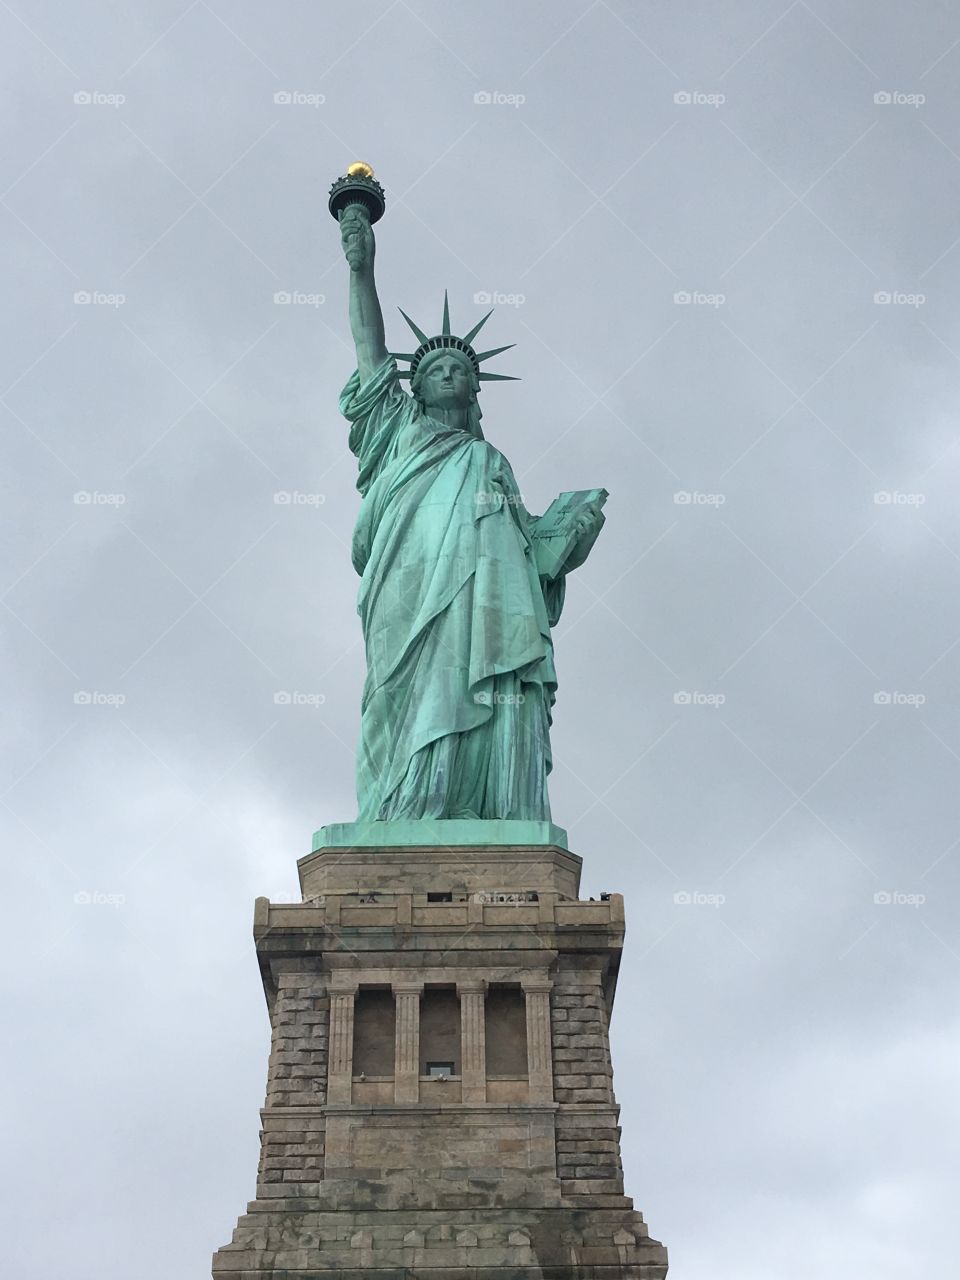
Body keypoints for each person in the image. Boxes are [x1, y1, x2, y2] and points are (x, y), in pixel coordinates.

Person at [338, 205, 605, 823]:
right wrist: (361, 269)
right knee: (402, 694)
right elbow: (368, 349)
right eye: (435, 370)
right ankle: (404, 807)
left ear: (474, 387)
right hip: (408, 591)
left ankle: (482, 804)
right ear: (419, 386)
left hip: (486, 599)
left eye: (460, 369)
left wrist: (570, 534)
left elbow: (527, 551)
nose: (449, 374)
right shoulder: (399, 430)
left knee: (486, 678)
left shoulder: (490, 461)